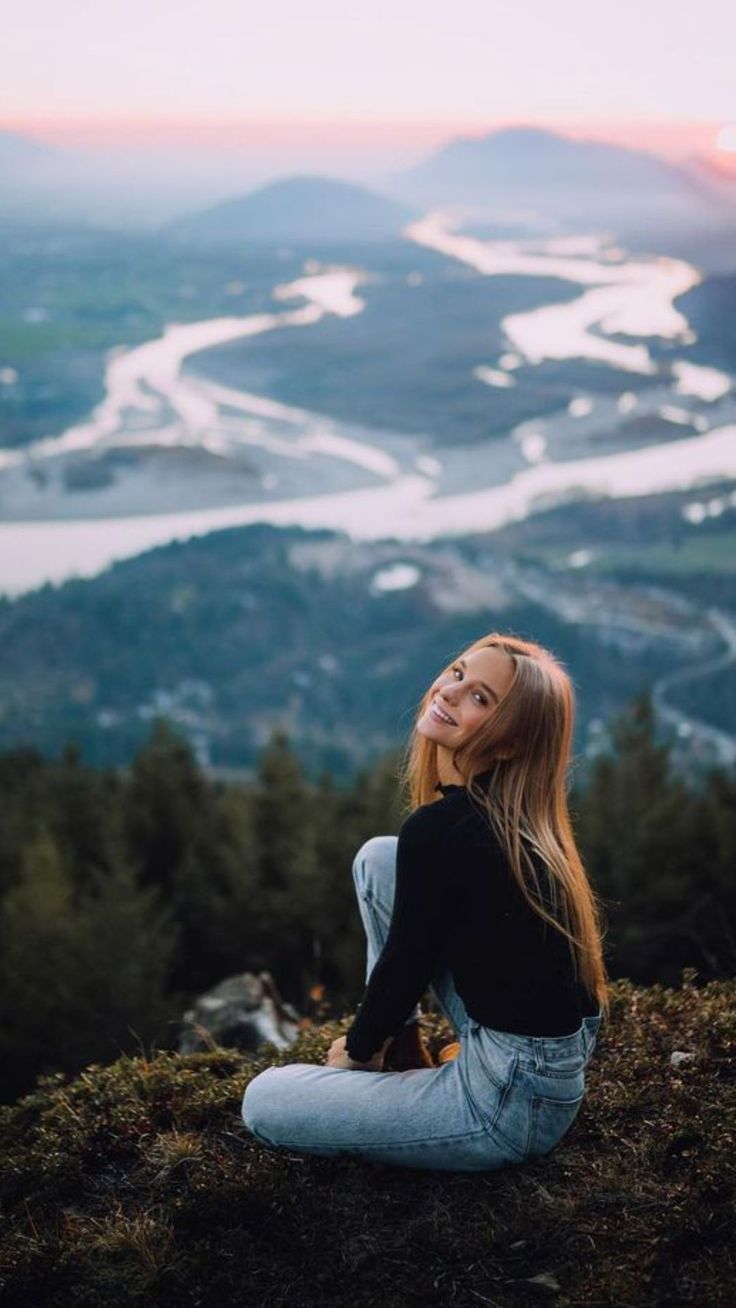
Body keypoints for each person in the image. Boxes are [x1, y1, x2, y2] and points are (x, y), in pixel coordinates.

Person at [242, 632, 609, 1171]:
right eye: (458, 674)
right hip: (540, 1064)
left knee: (265, 1100)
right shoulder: (510, 823)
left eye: (481, 698)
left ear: (509, 743)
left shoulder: (448, 831)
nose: (451, 691)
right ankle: (407, 1055)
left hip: (508, 1106)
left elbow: (407, 961)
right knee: (379, 859)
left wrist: (359, 1049)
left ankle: (401, 1069)